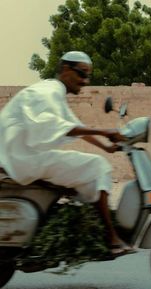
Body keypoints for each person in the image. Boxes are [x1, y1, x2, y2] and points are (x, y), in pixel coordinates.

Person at [0, 51, 133, 257]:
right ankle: (111, 237)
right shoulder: (49, 92)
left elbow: (74, 126)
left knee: (86, 167)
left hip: (20, 155)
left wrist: (106, 147)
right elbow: (58, 125)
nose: (85, 81)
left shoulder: (52, 91)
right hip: (21, 159)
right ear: (65, 70)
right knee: (98, 167)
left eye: (87, 76)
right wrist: (104, 131)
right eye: (81, 74)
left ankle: (85, 221)